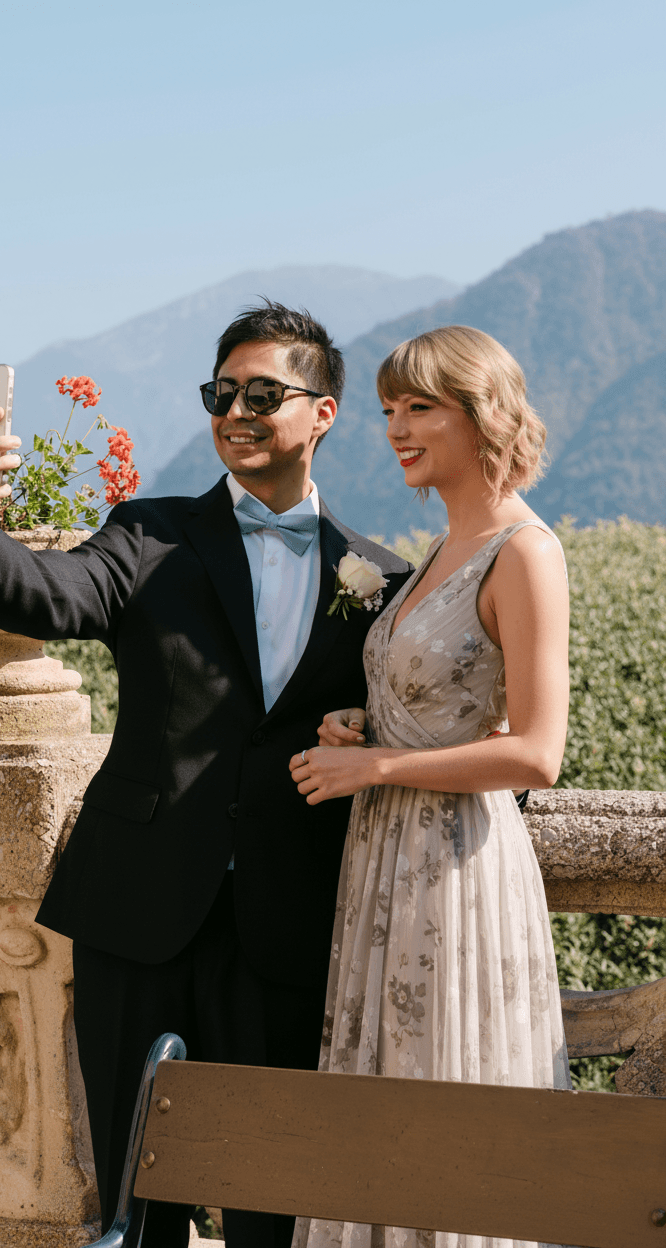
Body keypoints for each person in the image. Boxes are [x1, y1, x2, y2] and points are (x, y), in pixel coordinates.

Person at [0, 302, 414, 1248]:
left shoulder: (380, 581)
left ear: (322, 412)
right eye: (220, 393)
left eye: (262, 395)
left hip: (285, 927)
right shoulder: (149, 535)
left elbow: (407, 721)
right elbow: (53, 593)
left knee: (272, 1202)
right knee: (133, 1204)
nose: (235, 412)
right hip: (135, 912)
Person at [289, 325, 571, 1248]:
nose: (396, 430)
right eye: (388, 411)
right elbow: (445, 702)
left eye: (420, 408)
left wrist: (375, 767)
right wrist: (363, 726)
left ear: (482, 415)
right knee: (384, 1102)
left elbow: (537, 754)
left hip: (456, 871)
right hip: (385, 861)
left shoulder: (524, 552)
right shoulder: (446, 545)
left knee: (444, 1096)